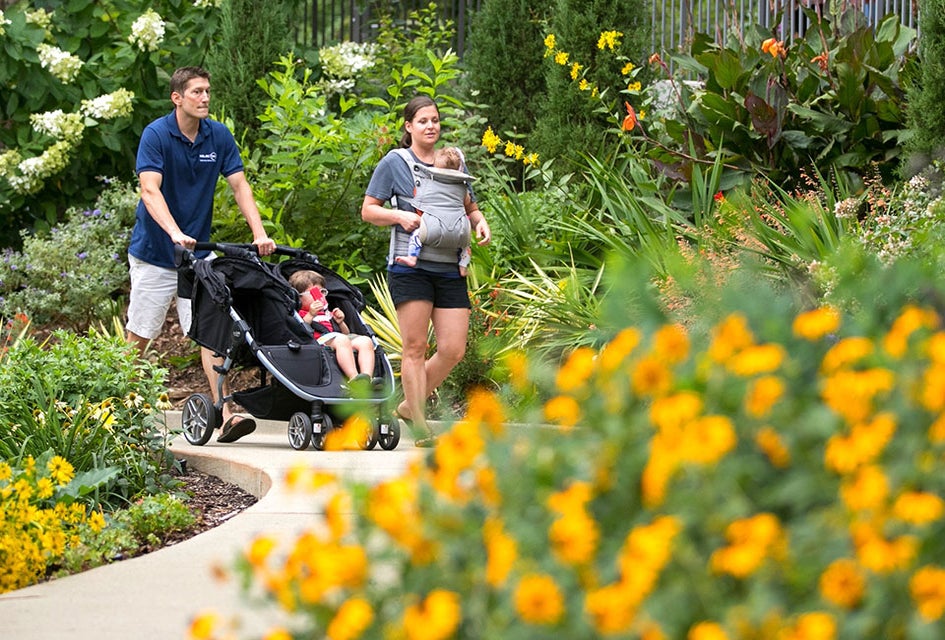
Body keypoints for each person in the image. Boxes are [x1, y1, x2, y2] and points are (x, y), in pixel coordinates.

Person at [125, 66, 276, 444]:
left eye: (207, 91)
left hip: (196, 259)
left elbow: (239, 186)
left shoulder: (217, 135)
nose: (205, 97)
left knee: (211, 333)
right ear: (177, 98)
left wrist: (259, 232)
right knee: (140, 336)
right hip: (155, 254)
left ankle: (224, 414)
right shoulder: (157, 134)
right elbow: (149, 190)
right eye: (196, 91)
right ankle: (113, 407)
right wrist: (174, 232)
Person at [360, 95, 491, 447]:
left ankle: (407, 405)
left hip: (450, 267)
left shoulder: (453, 158)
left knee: (453, 349)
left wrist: (480, 222)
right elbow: (368, 210)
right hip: (410, 267)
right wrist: (398, 215)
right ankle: (420, 424)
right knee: (415, 346)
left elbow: (469, 205)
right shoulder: (395, 162)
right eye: (422, 121)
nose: (430, 126)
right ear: (409, 126)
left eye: (434, 120)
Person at [394, 146, 473, 276]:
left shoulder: (427, 184)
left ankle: (412, 257)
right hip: (460, 229)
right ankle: (463, 267)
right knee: (467, 246)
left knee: (416, 235)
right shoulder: (463, 188)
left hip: (433, 227)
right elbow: (468, 203)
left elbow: (418, 200)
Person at [287, 269, 376, 384]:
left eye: (322, 292)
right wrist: (311, 314)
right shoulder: (302, 313)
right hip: (318, 341)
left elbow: (345, 334)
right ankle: (353, 377)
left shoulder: (327, 313)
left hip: (338, 339)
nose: (319, 296)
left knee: (365, 341)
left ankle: (367, 377)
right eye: (313, 293)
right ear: (299, 297)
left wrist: (340, 322)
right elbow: (301, 331)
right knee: (342, 340)